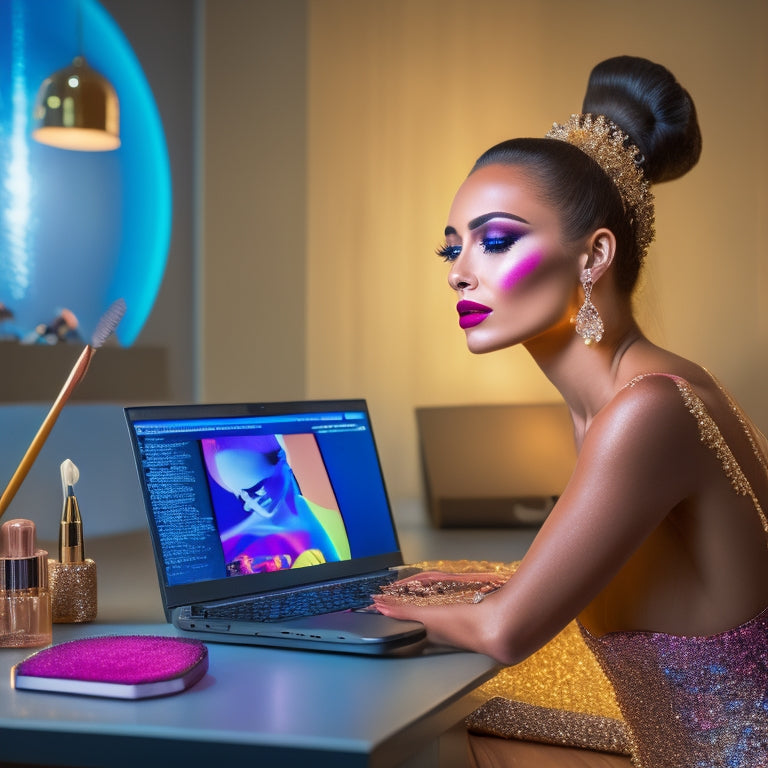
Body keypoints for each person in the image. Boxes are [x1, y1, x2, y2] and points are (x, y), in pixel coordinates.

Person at [372, 55, 768, 766]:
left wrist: (364, 613)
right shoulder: (629, 395)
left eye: (495, 240)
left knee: (431, 736)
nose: (461, 269)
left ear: (594, 257)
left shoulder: (648, 411)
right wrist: (460, 584)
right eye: (452, 247)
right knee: (461, 729)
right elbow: (555, 579)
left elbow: (505, 632)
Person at [202, 435, 350, 573]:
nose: (249, 504)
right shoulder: (236, 540)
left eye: (256, 489)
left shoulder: (314, 517)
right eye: (240, 496)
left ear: (283, 465)